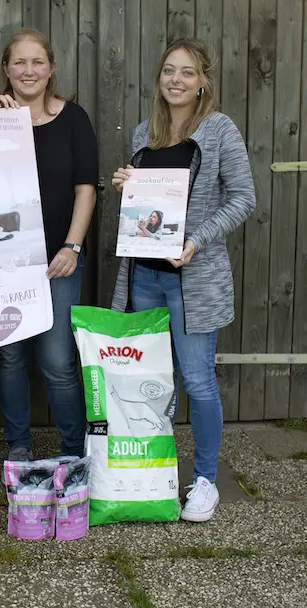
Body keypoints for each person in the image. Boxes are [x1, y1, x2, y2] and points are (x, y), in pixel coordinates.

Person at [110, 37, 256, 523]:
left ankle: (206, 480)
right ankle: (157, 473)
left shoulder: (218, 130)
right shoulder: (144, 133)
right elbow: (147, 212)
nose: (176, 80)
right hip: (144, 278)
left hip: (193, 283)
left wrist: (196, 240)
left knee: (196, 380)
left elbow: (243, 198)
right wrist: (126, 189)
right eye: (169, 70)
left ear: (203, 82)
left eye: (187, 72)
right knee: (153, 381)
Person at [0, 28, 98, 461]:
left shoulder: (73, 118)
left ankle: (74, 451)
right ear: (6, 69)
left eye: (37, 62)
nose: (28, 71)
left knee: (57, 361)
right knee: (10, 357)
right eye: (19, 62)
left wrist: (72, 247)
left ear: (51, 69)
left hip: (58, 261)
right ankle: (19, 447)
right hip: (4, 261)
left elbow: (86, 188)